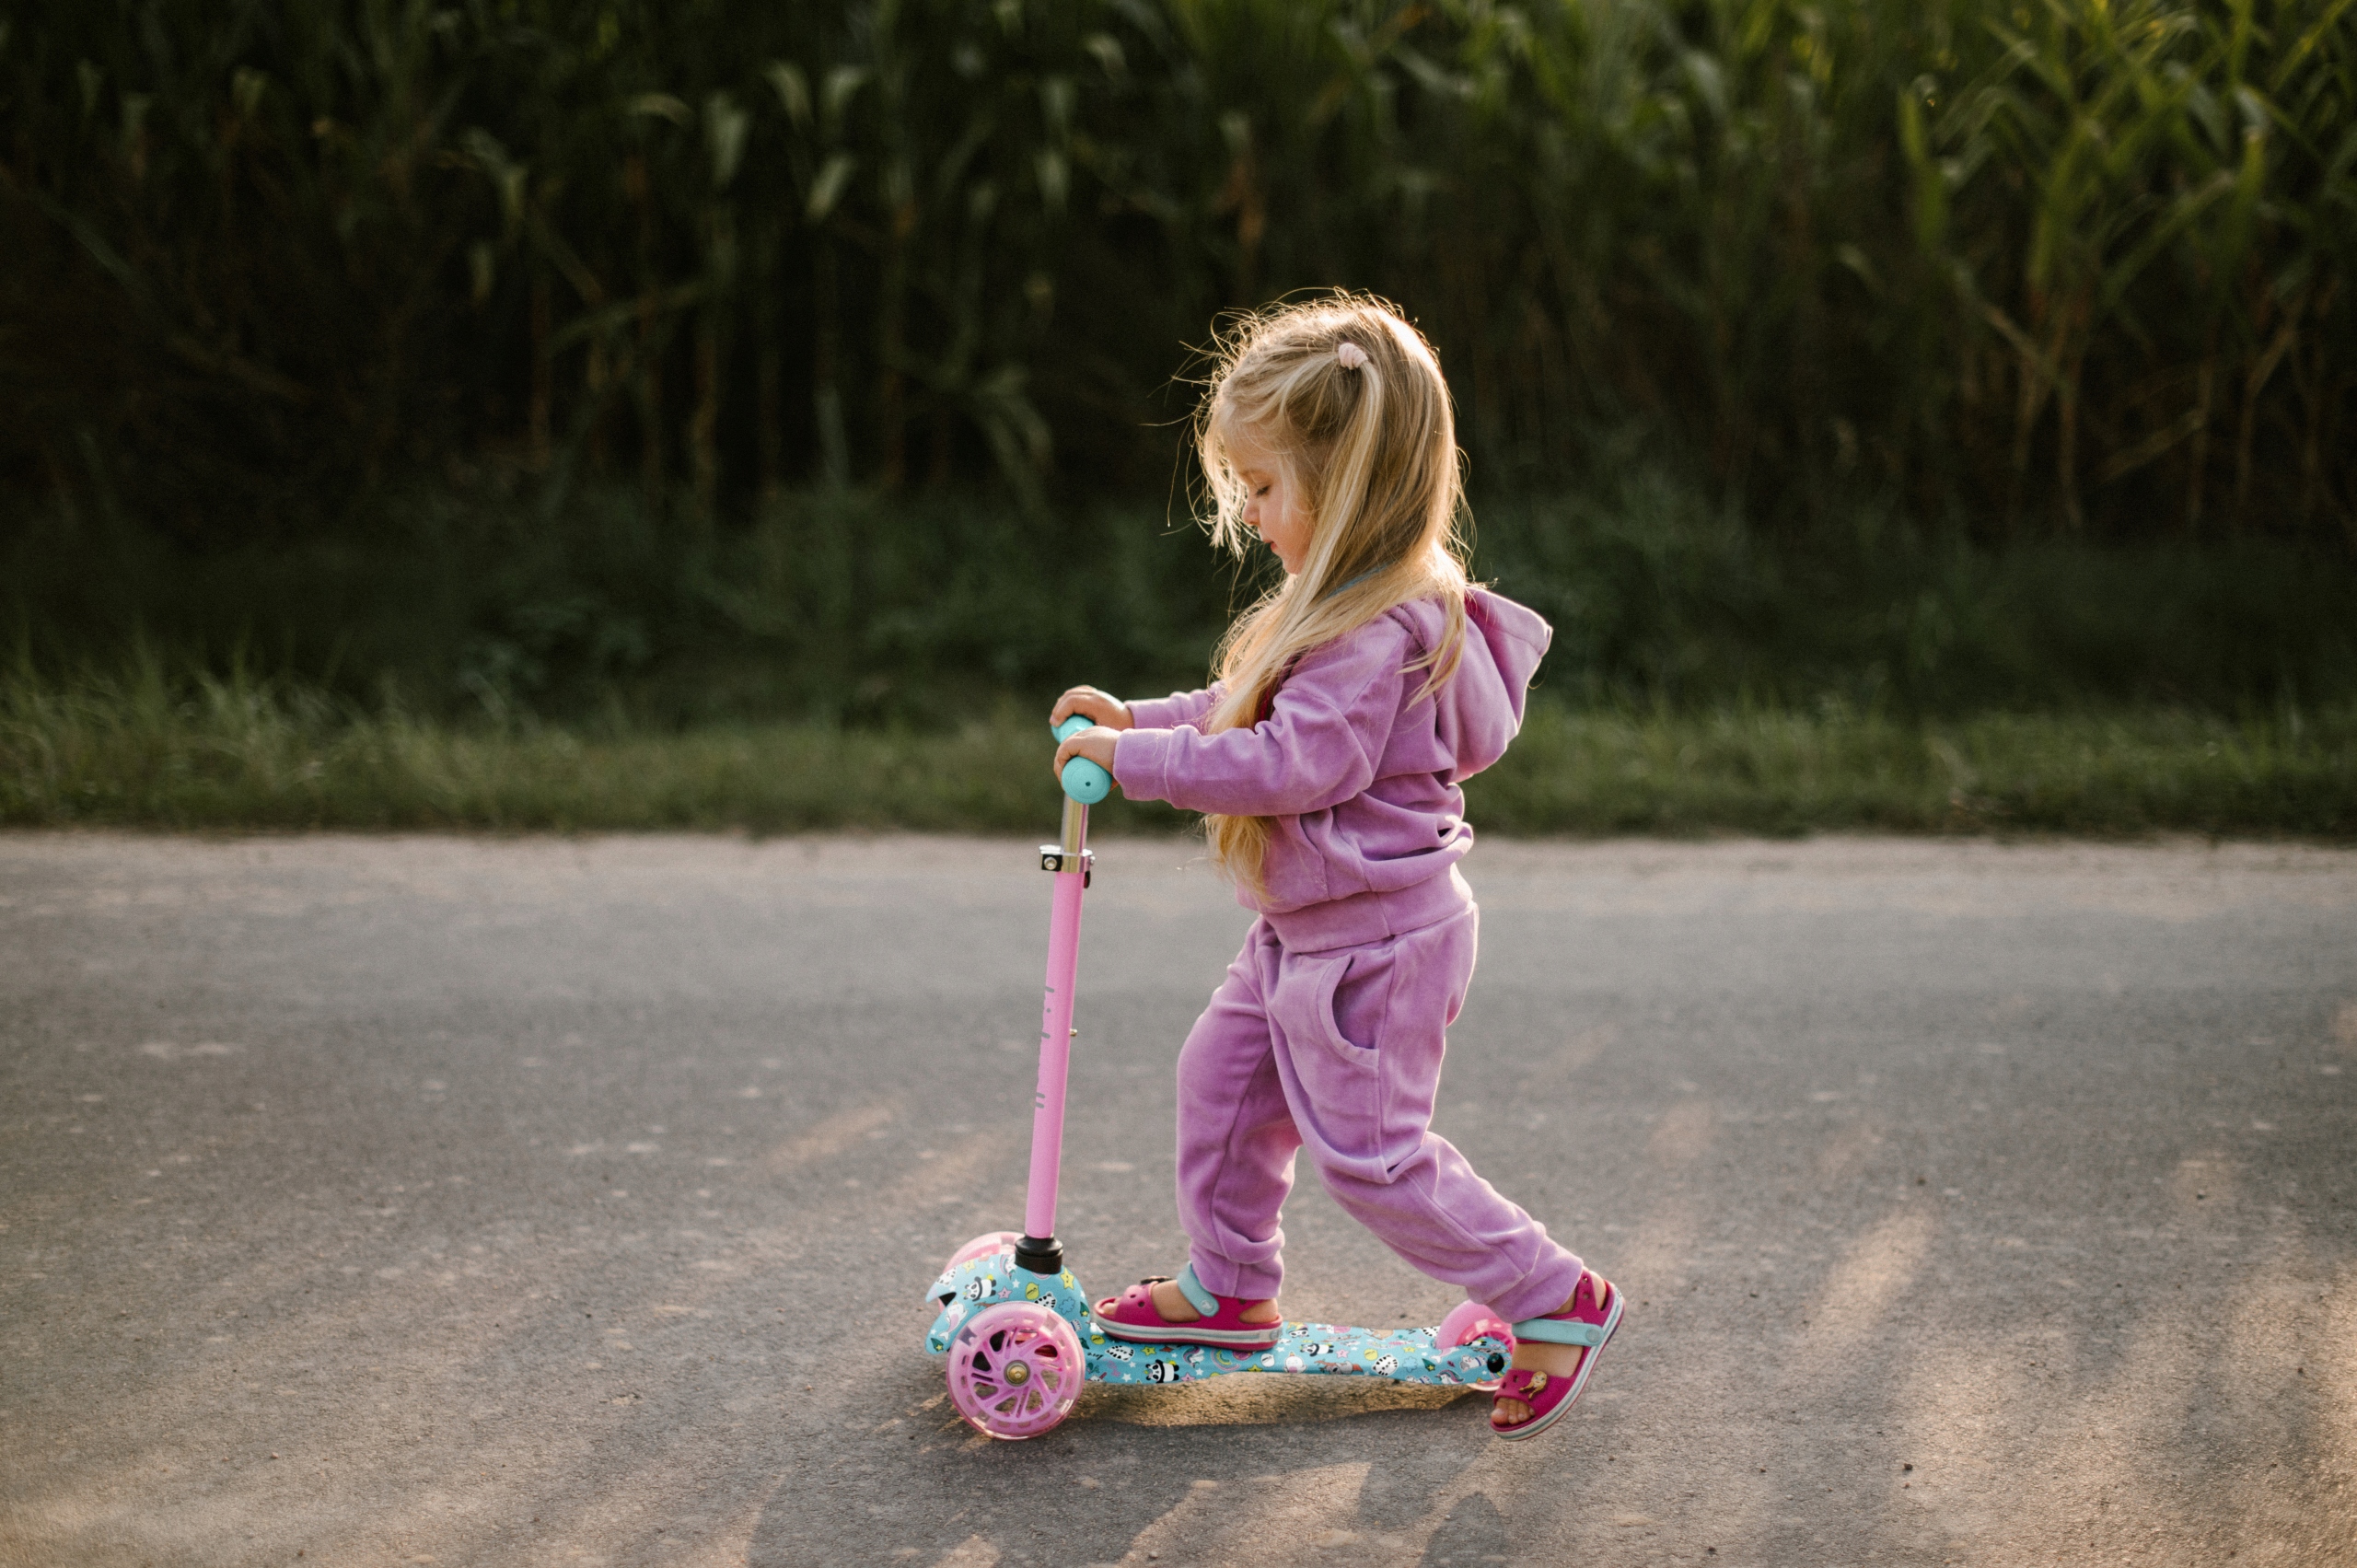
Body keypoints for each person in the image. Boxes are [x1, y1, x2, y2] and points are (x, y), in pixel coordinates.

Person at [1047, 294, 1618, 1441]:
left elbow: (1291, 759)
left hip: (1374, 944)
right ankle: (1228, 1286)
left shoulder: (1371, 631)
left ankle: (1555, 1296)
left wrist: (1137, 763)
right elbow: (1239, 706)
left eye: (1264, 487)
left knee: (1371, 1158)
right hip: (1307, 929)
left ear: (1346, 484)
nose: (1249, 512)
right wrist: (1137, 719)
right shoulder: (1335, 609)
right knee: (1222, 1080)